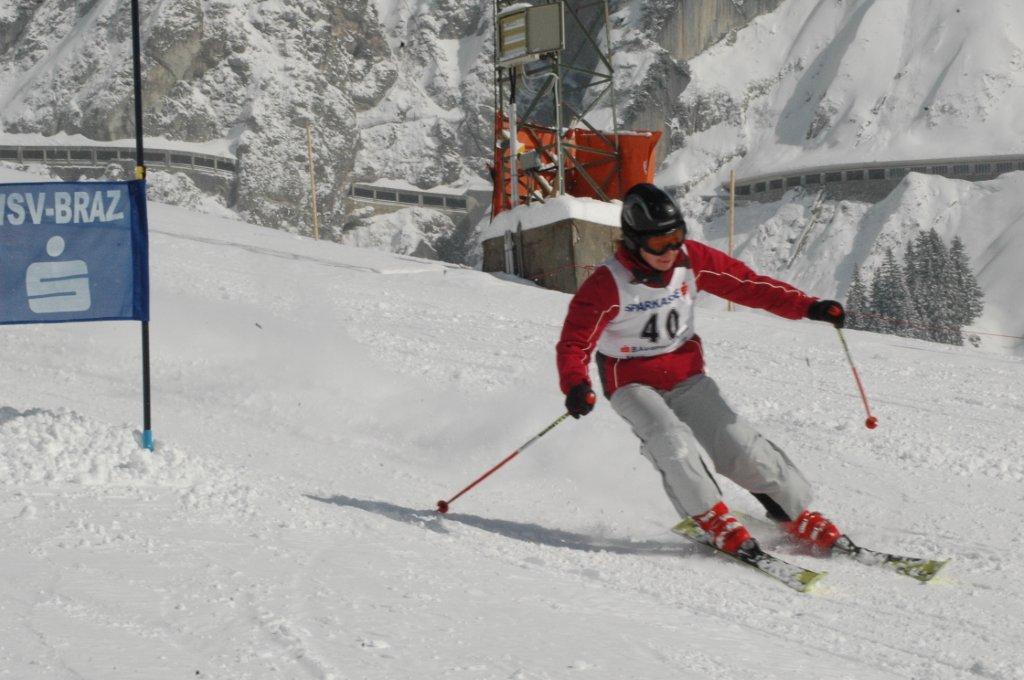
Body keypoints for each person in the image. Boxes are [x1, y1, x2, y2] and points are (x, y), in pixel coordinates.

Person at [556, 183, 847, 556]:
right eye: (658, 243)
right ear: (633, 241)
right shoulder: (607, 285)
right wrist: (576, 385)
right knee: (670, 439)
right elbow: (575, 343)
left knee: (738, 442)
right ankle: (709, 516)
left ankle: (793, 513)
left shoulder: (691, 261)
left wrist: (809, 306)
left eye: (676, 237)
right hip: (629, 381)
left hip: (685, 374)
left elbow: (751, 286)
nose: (670, 251)